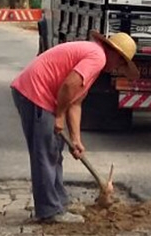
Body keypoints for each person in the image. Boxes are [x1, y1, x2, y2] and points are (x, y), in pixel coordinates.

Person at [10, 32, 138, 223]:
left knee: (54, 151)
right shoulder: (98, 57)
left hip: (40, 94)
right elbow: (69, 86)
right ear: (115, 54)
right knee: (45, 153)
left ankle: (58, 203)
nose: (117, 69)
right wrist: (59, 115)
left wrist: (76, 139)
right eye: (121, 63)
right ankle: (49, 211)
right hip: (35, 93)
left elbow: (75, 102)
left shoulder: (95, 57)